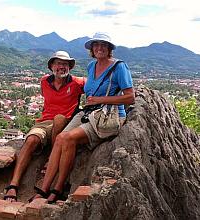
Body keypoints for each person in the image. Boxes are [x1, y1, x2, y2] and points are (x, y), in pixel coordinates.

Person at [31, 32, 135, 203]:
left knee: (68, 138)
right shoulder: (91, 66)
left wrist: (101, 99)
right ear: (92, 49)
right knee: (60, 139)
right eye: (96, 45)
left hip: (105, 116)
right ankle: (43, 188)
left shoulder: (119, 67)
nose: (99, 48)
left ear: (109, 48)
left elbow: (130, 97)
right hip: (89, 112)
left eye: (103, 45)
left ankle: (57, 188)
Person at [3, 51, 85, 202]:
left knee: (59, 119)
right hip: (45, 121)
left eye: (65, 64)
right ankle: (13, 185)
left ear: (70, 67)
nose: (62, 67)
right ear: (52, 66)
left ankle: (50, 160)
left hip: (65, 122)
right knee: (31, 139)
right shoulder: (44, 82)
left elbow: (97, 85)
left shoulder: (78, 83)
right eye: (59, 63)